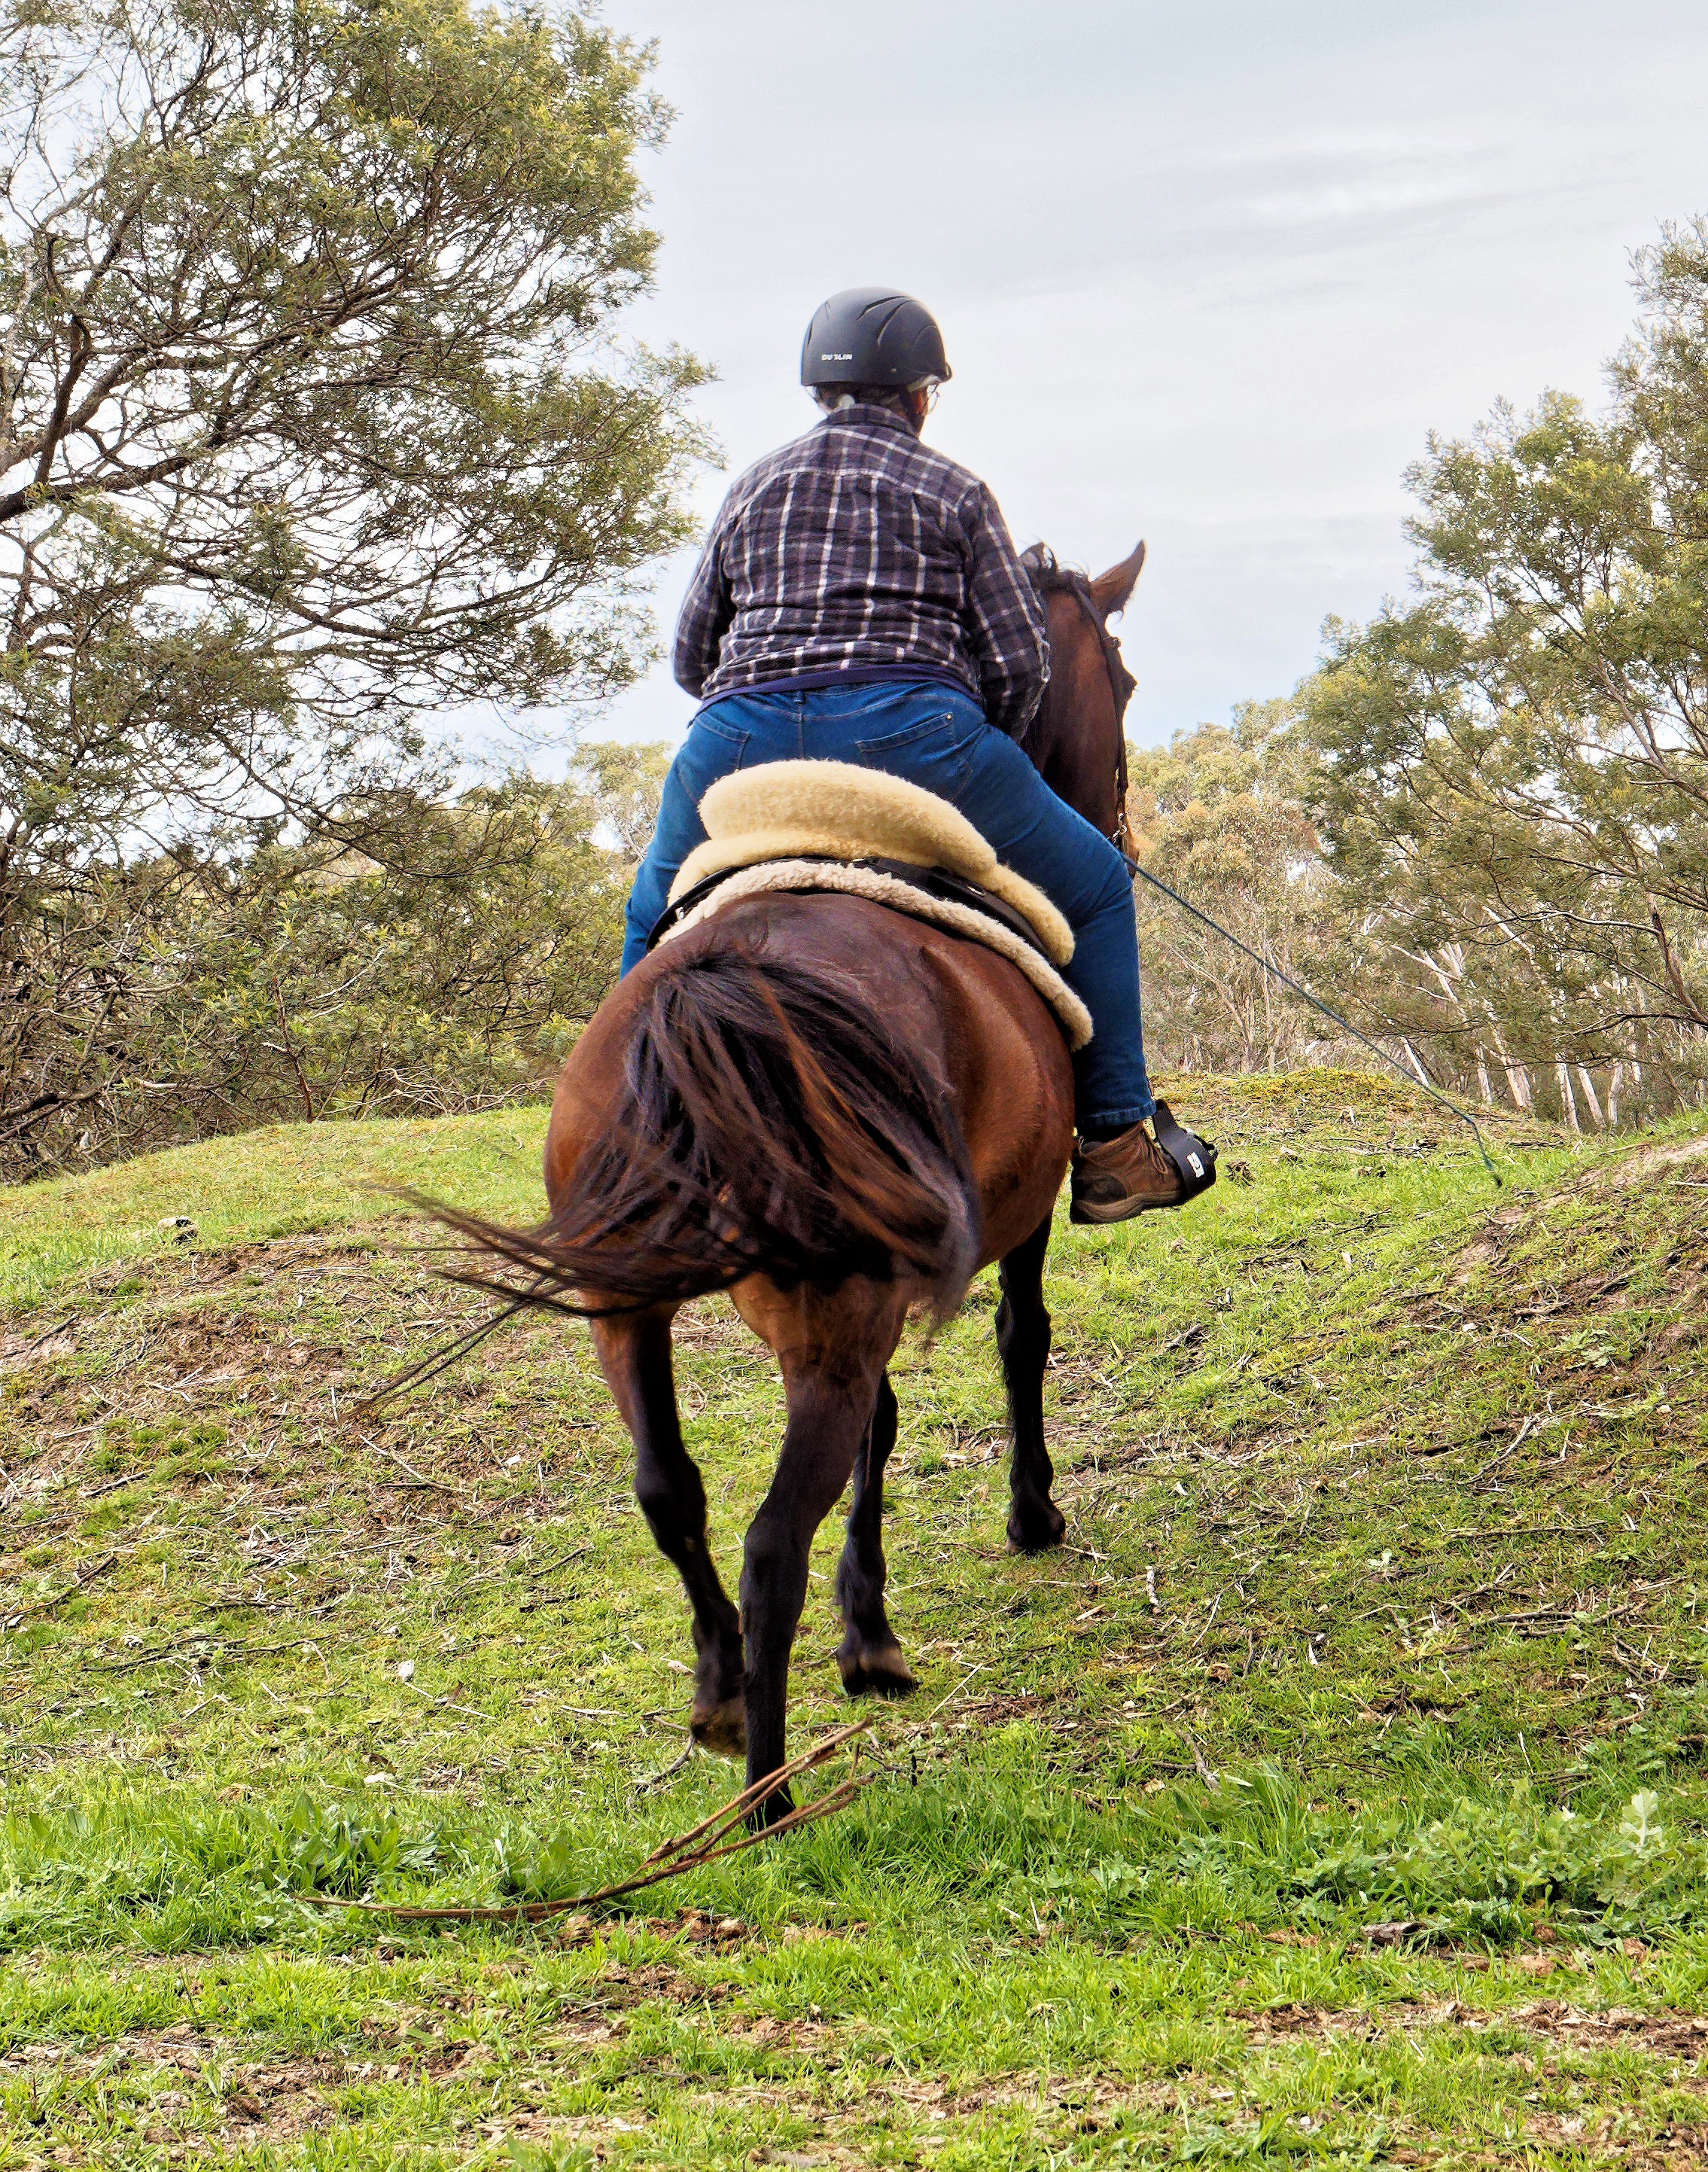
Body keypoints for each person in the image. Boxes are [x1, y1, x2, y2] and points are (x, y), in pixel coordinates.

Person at [622, 286, 1212, 1223]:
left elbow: (692, 655)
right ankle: (1113, 1142)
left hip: (735, 739)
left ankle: (631, 1128)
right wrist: (975, 739)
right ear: (921, 395)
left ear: (821, 391)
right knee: (1098, 883)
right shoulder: (956, 490)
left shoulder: (753, 485)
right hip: (912, 733)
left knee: (656, 907)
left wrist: (769, 704)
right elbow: (1021, 663)